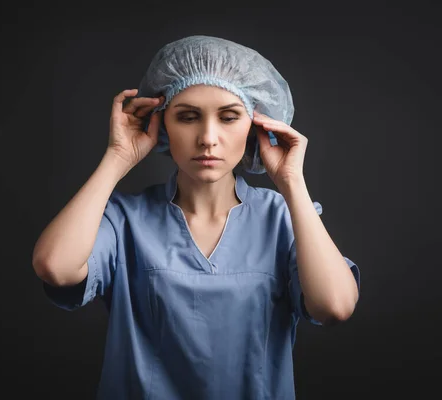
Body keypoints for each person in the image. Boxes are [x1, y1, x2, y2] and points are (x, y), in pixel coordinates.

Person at [32, 35, 361, 399]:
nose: (207, 137)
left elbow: (335, 306)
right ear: (162, 125)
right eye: (187, 117)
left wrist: (291, 183)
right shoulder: (125, 220)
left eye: (229, 117)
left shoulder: (283, 219)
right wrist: (117, 158)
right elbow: (55, 267)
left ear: (256, 126)